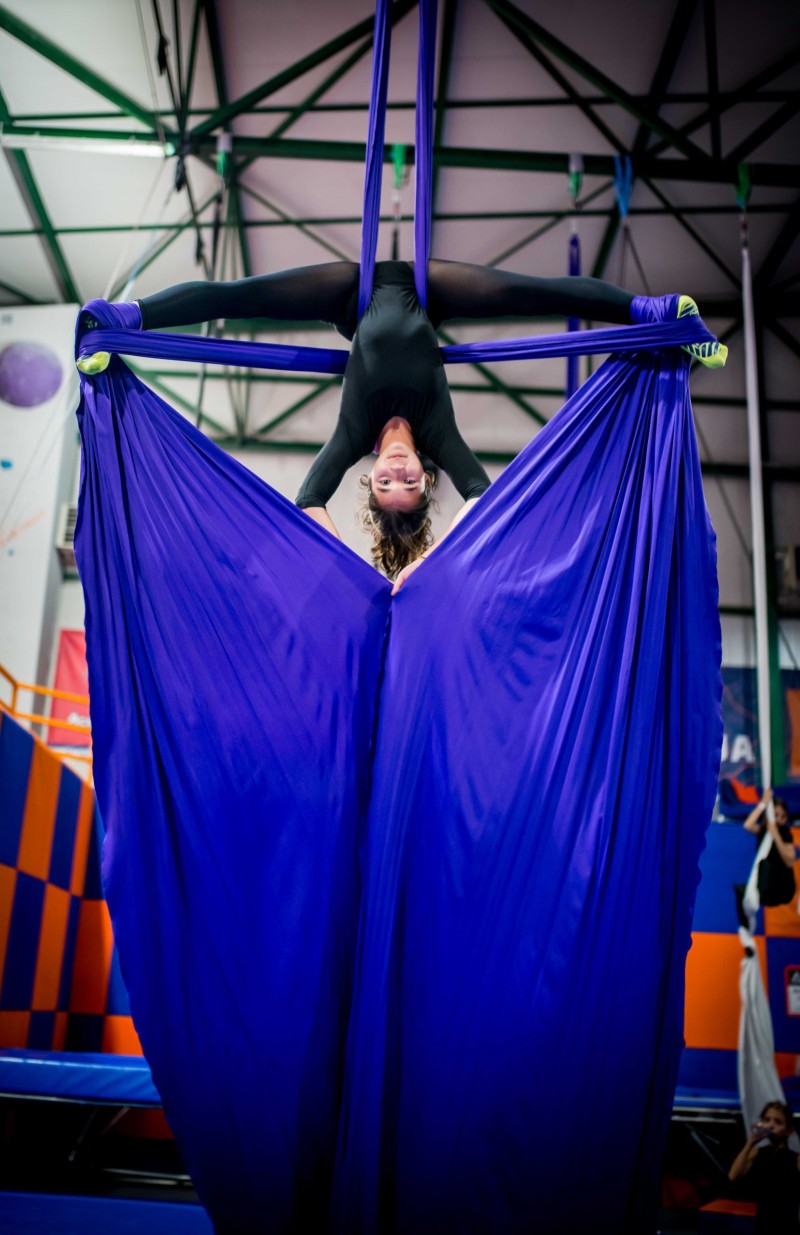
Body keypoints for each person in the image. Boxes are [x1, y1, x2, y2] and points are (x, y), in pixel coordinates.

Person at [78, 260, 724, 587]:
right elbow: (483, 501)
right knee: (530, 292)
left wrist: (354, 569)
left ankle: (120, 319)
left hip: (351, 294)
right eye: (409, 485)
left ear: (371, 481)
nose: (395, 473)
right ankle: (661, 312)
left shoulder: (353, 436)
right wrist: (432, 563)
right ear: (425, 477)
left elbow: (307, 500)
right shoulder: (439, 435)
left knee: (243, 297)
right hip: (426, 289)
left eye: (384, 485)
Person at [729, 1100, 800, 1232]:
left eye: (778, 1122)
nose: (771, 1125)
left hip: (787, 1223)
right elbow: (733, 1176)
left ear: (788, 1130)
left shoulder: (795, 1158)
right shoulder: (756, 1153)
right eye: (767, 1120)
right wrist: (751, 1142)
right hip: (762, 1222)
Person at [744, 788, 797, 908]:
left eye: (783, 816)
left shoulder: (784, 832)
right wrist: (763, 803)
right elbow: (748, 825)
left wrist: (775, 833)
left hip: (782, 886)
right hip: (767, 885)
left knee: (766, 865)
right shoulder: (764, 830)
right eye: (776, 815)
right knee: (742, 894)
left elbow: (789, 861)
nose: (779, 819)